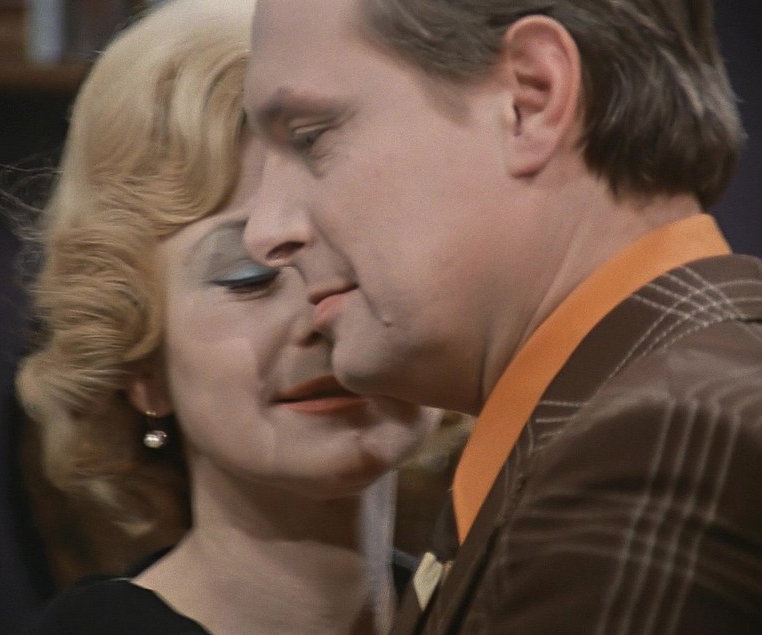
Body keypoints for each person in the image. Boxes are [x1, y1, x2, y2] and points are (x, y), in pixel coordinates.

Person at [241, 0, 762, 633]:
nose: (264, 233)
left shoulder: (658, 449)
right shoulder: (630, 420)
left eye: (310, 137)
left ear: (530, 100)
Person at [15, 1, 439, 633]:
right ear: (142, 365)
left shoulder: (502, 604)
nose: (321, 313)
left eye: (360, 251)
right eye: (248, 276)